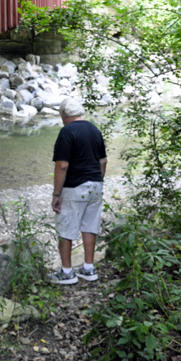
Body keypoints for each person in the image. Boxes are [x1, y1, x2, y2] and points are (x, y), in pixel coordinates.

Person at [49, 97, 107, 285]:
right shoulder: (94, 129)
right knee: (90, 226)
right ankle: (88, 268)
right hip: (96, 185)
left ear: (64, 114)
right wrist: (98, 181)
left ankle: (67, 273)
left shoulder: (67, 132)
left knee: (66, 228)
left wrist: (56, 194)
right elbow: (103, 161)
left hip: (75, 187)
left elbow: (62, 165)